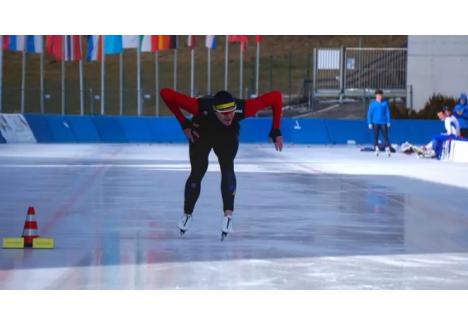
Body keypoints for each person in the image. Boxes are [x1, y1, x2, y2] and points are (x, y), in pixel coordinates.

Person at [160, 88, 283, 240]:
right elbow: (165, 93)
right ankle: (187, 214)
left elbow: (276, 96)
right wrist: (184, 122)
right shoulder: (199, 106)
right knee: (198, 171)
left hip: (227, 136)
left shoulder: (242, 108)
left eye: (231, 111)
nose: (229, 116)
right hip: (202, 133)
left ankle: (228, 217)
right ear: (214, 110)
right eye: (224, 113)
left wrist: (276, 129)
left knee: (227, 166)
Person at [367, 89, 391, 156]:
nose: (379, 96)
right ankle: (376, 148)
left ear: (382, 96)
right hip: (375, 123)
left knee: (385, 136)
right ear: (376, 96)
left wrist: (388, 121)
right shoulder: (372, 104)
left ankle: (387, 148)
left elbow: (387, 113)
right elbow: (369, 114)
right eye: (378, 95)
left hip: (383, 122)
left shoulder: (384, 103)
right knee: (376, 136)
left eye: (380, 95)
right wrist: (369, 123)